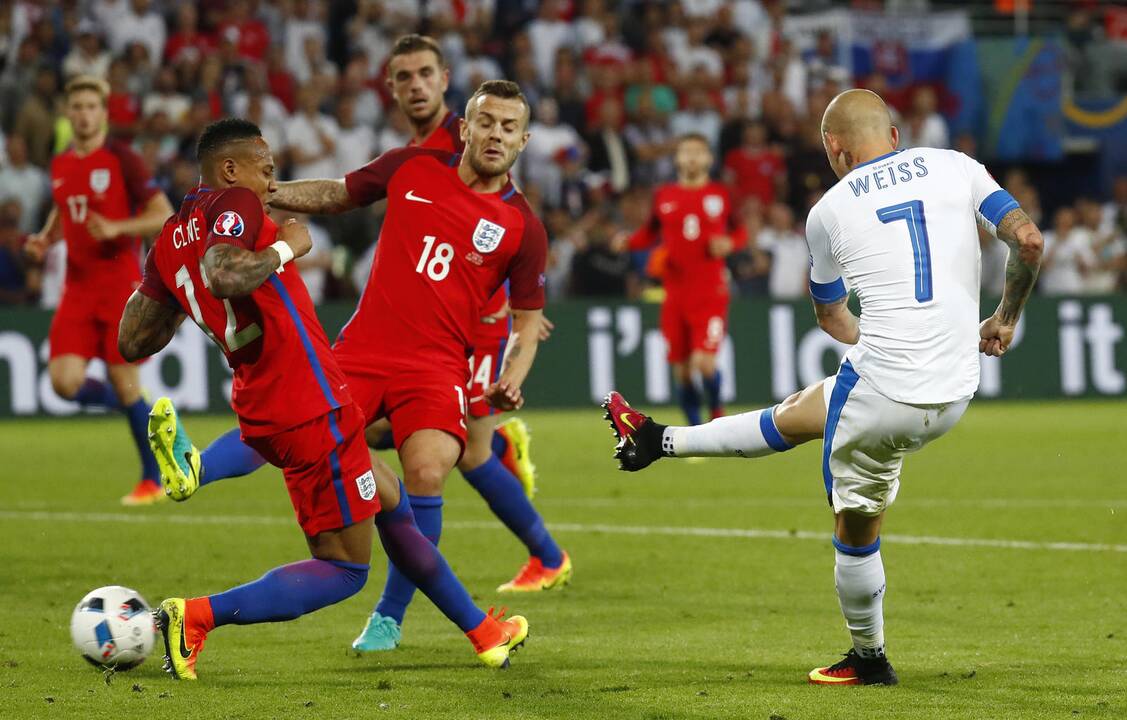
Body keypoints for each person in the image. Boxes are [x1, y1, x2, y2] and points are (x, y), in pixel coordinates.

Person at [603, 89, 1044, 686]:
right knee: (803, 411)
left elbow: (832, 318)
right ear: (893, 134)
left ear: (833, 149)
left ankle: (868, 658)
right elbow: (1029, 240)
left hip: (887, 390)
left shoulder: (828, 212)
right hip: (956, 389)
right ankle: (659, 440)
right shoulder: (957, 165)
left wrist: (881, 342)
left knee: (855, 525)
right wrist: (1005, 317)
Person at [120, 119, 529, 680]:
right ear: (229, 169)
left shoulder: (169, 237)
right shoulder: (234, 201)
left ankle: (485, 634)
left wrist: (175, 296)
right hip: (311, 403)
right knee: (343, 569)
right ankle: (194, 617)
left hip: (266, 401)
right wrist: (287, 247)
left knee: (393, 502)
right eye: (265, 168)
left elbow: (132, 340)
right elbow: (222, 273)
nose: (272, 181)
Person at [24, 75, 173, 505]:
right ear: (68, 115)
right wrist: (46, 236)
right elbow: (63, 204)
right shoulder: (61, 162)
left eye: (92, 107)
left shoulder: (123, 159)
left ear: (104, 113)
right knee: (63, 383)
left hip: (119, 285)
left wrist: (117, 227)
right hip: (77, 287)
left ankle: (152, 479)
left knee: (126, 383)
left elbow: (163, 214)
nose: (85, 114)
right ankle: (137, 412)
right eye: (78, 107)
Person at [625, 134, 746, 424]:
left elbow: (740, 232)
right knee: (681, 371)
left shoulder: (721, 194)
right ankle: (694, 431)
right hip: (675, 293)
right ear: (677, 159)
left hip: (711, 292)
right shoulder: (664, 195)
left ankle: (717, 415)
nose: (692, 158)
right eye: (686, 152)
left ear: (709, 159)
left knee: (704, 363)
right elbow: (648, 233)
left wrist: (729, 244)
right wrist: (626, 242)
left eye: (698, 152)